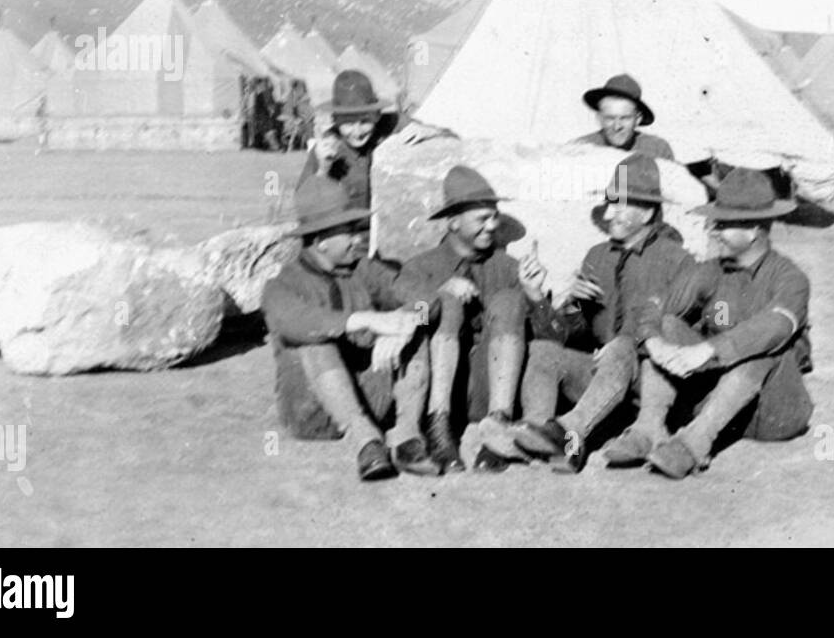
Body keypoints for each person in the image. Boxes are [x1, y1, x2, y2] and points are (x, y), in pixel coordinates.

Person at [607, 167, 816, 479]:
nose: (712, 230)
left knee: (764, 347)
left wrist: (707, 349)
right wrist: (654, 340)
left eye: (723, 223)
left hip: (776, 410)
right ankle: (648, 428)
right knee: (668, 323)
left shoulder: (790, 277)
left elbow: (776, 326)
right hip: (720, 404)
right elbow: (657, 304)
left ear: (755, 229)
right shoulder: (711, 270)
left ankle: (693, 445)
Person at [512, 153, 695, 472]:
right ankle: (543, 438)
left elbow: (675, 331)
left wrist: (625, 343)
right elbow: (571, 334)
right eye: (610, 203)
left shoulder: (677, 260)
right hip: (602, 383)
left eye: (622, 205)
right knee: (543, 349)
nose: (610, 213)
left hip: (647, 388)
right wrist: (556, 301)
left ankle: (570, 433)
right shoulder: (598, 256)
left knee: (623, 346)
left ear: (648, 211)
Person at [261, 176, 438, 481]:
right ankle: (364, 442)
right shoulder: (282, 284)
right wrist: (364, 320)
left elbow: (427, 299)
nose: (359, 238)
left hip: (369, 398)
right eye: (349, 232)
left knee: (417, 327)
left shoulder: (364, 269)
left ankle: (407, 437)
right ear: (320, 241)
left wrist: (407, 324)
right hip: (311, 411)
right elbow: (291, 320)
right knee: (315, 341)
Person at [395, 165, 558, 472]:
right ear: (453, 222)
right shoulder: (419, 268)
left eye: (495, 217)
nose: (493, 226)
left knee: (509, 300)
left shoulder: (510, 268)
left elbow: (557, 336)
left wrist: (535, 296)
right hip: (438, 390)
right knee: (446, 302)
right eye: (483, 219)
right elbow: (403, 317)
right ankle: (437, 428)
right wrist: (437, 295)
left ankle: (499, 427)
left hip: (490, 388)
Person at [296, 70, 399, 207]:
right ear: (335, 120)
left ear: (377, 116)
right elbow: (304, 207)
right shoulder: (326, 148)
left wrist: (427, 131)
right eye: (349, 124)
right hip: (348, 227)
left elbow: (412, 124)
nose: (357, 132)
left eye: (364, 122)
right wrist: (323, 169)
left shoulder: (387, 124)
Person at [572, 73, 675, 160]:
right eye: (610, 118)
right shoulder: (579, 149)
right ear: (599, 118)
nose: (617, 127)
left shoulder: (658, 150)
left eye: (625, 118)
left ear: (638, 119)